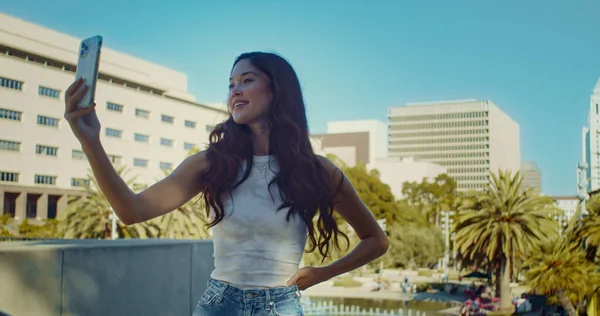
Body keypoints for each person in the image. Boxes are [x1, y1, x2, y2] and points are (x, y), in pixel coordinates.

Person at [63, 51, 389, 316]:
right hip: (220, 305)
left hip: (281, 307)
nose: (235, 90)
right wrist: (90, 141)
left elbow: (376, 240)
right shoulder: (211, 164)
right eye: (231, 84)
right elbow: (130, 210)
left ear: (278, 90)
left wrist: (322, 274)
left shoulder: (317, 171)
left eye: (247, 80)